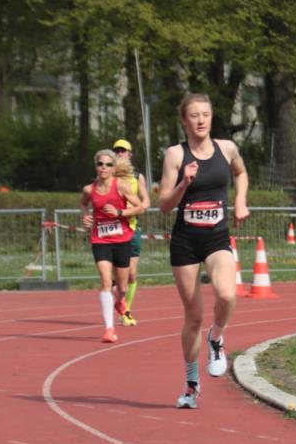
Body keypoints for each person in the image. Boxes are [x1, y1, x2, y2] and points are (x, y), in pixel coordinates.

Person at [158, 93, 249, 409]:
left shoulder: (226, 148)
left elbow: (240, 172)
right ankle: (191, 385)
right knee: (193, 316)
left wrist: (239, 201)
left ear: (211, 117)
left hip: (216, 238)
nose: (200, 120)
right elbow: (163, 206)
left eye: (206, 114)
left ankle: (217, 337)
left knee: (226, 295)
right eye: (194, 115)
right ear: (184, 120)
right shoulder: (174, 155)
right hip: (185, 241)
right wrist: (184, 183)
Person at [80, 149, 142, 343]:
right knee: (106, 282)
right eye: (100, 164)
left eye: (108, 164)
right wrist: (85, 216)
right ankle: (109, 329)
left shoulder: (121, 186)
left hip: (122, 240)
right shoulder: (89, 190)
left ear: (114, 167)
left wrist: (119, 212)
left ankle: (119, 302)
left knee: (121, 287)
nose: (103, 168)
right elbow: (83, 204)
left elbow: (140, 206)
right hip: (100, 240)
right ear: (95, 166)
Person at [113, 138, 150, 326]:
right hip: (111, 230)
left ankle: (126, 310)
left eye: (123, 150)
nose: (120, 153)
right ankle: (119, 297)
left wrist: (135, 208)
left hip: (132, 228)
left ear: (130, 154)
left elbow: (146, 201)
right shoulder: (107, 177)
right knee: (117, 275)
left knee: (132, 273)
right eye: (117, 150)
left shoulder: (137, 179)